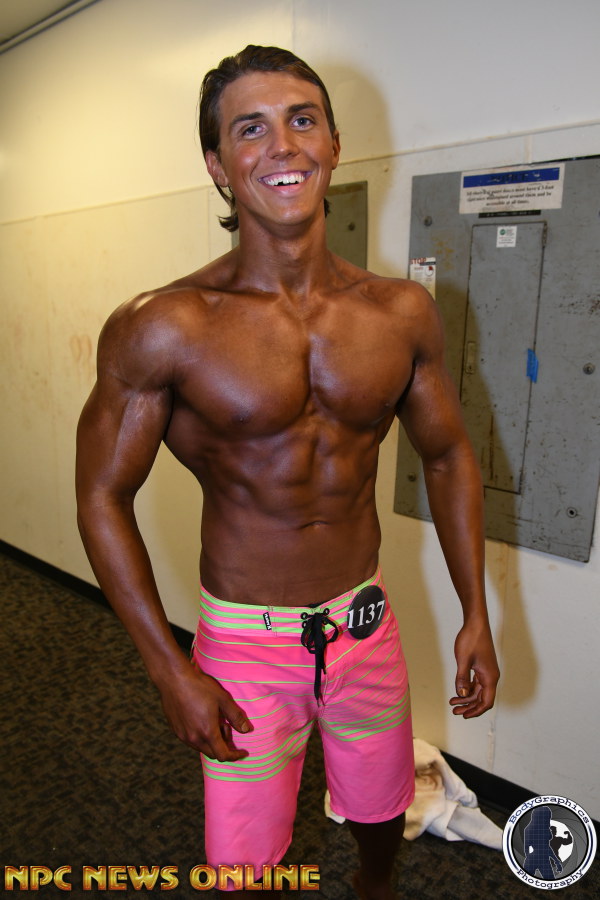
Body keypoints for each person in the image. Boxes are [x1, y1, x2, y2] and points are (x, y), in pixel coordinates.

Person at [76, 45, 499, 899]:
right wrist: (169, 667)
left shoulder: (400, 312)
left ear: (334, 144)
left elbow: (449, 453)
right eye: (251, 129)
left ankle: (373, 887)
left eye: (302, 120)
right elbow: (102, 496)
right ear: (216, 164)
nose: (283, 145)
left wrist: (476, 613)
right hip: (245, 643)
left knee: (381, 804)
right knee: (245, 866)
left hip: (364, 621)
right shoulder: (166, 326)